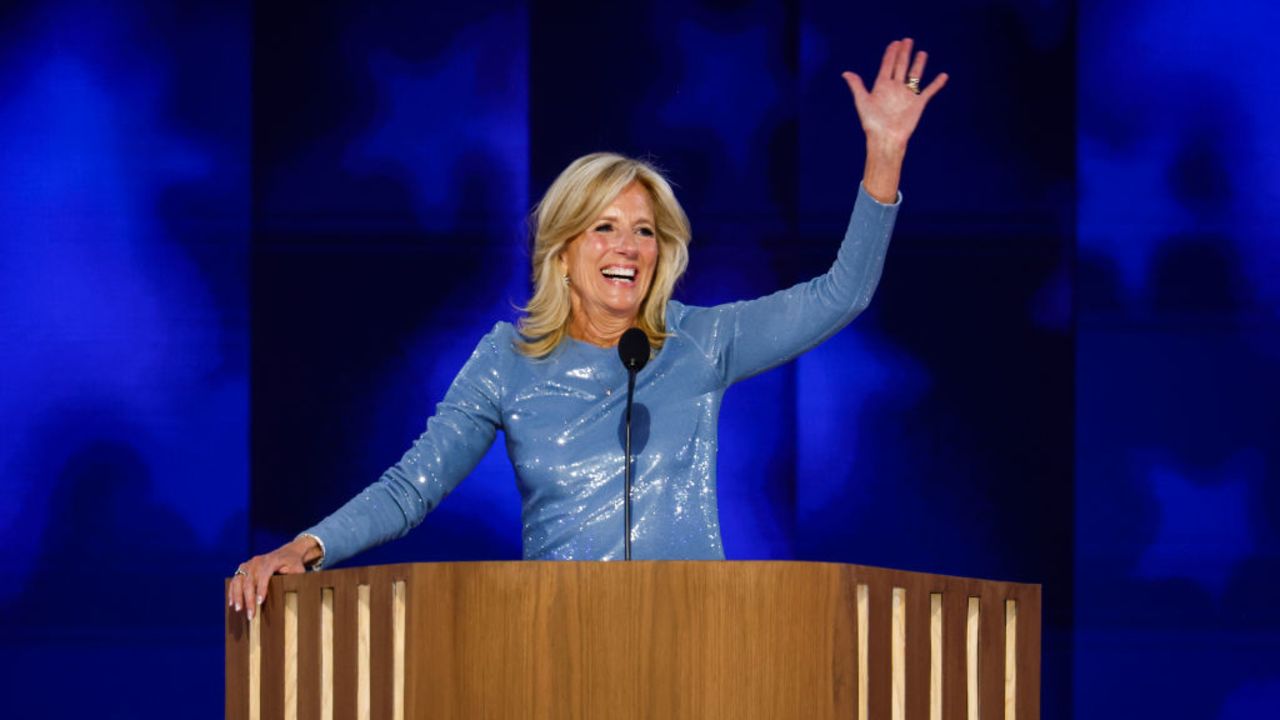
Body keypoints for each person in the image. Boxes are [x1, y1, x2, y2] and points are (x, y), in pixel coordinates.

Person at [230, 38, 947, 619]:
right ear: (563, 250)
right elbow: (410, 488)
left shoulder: (700, 342)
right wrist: (308, 546)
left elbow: (840, 296)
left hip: (700, 638)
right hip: (560, 644)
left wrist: (884, 155)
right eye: (604, 228)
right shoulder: (507, 360)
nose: (628, 248)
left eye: (644, 232)